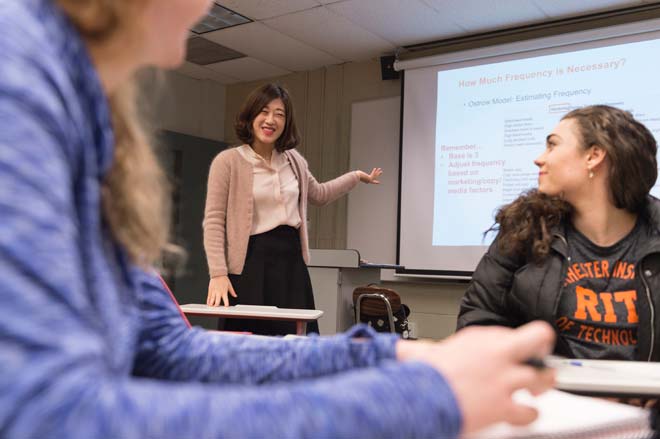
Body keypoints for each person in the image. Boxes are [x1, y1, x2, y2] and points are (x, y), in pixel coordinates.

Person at [0, 0, 555, 437]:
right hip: (252, 258)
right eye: (264, 112)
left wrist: (388, 353)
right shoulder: (20, 73)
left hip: (290, 256)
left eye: (279, 114)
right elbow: (44, 417)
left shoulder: (87, 111)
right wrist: (426, 398)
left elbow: (170, 350)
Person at [457, 105, 660, 362]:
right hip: (548, 396)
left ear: (593, 156)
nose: (539, 159)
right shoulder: (524, 229)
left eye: (552, 145)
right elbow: (477, 323)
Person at [203, 82, 382, 335]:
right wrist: (218, 274)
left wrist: (356, 177)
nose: (271, 120)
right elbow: (213, 221)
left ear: (286, 122)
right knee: (253, 344)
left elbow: (319, 194)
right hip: (251, 264)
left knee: (296, 341)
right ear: (251, 115)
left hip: (291, 265)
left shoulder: (293, 160)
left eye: (279, 114)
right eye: (264, 111)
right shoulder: (228, 161)